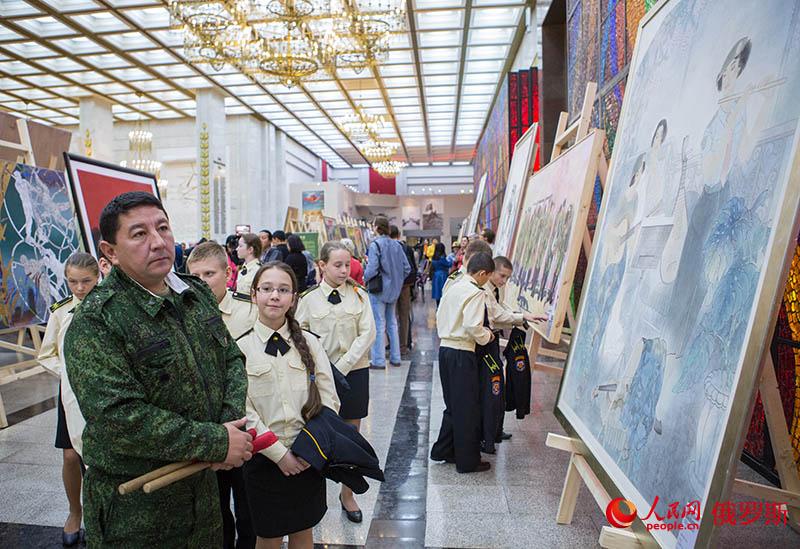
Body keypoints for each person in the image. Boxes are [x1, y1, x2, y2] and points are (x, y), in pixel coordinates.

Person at [64, 191, 253, 547]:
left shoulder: (193, 294)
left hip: (202, 496)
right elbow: (119, 417)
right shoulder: (97, 322)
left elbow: (231, 359)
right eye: (139, 234)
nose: (158, 242)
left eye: (163, 228)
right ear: (110, 252)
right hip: (139, 514)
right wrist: (215, 440)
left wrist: (228, 429)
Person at [237, 262, 339, 549]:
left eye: (283, 290)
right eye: (267, 289)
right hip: (264, 458)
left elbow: (329, 398)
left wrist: (310, 449)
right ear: (254, 294)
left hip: (308, 454)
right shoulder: (240, 348)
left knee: (303, 531)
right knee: (268, 536)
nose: (274, 296)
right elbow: (242, 410)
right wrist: (279, 454)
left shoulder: (310, 343)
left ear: (294, 298)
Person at [296, 241, 376, 523]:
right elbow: (300, 336)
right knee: (318, 432)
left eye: (347, 264)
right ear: (322, 265)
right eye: (337, 265)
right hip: (319, 374)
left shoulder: (360, 296)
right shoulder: (307, 299)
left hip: (354, 372)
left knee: (351, 434)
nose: (344, 270)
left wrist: (340, 367)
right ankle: (312, 496)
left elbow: (367, 334)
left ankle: (347, 494)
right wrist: (325, 370)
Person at [187, 242, 258, 549]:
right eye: (195, 275)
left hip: (247, 422)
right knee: (214, 511)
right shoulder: (182, 314)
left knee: (249, 508)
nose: (202, 281)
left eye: (209, 274)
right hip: (207, 428)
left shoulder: (248, 311)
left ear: (228, 273)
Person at [38, 252, 99, 547]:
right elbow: (45, 354)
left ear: (98, 277)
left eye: (85, 281)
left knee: (99, 456)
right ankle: (75, 511)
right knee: (71, 455)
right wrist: (69, 372)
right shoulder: (61, 312)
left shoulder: (108, 308)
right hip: (71, 394)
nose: (79, 288)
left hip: (102, 395)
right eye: (73, 282)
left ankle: (103, 516)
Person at [430, 251, 495, 473]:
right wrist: (487, 335)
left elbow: (439, 314)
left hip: (445, 349)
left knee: (454, 405)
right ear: (482, 273)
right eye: (488, 277)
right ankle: (468, 461)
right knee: (467, 408)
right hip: (462, 353)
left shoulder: (453, 286)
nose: (487, 282)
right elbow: (472, 325)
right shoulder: (475, 292)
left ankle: (444, 449)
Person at [481, 256, 544, 453]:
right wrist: (520, 317)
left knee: (498, 388)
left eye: (507, 278)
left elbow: (503, 307)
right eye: (502, 276)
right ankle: (489, 433)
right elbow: (497, 316)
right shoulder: (484, 290)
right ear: (491, 271)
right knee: (493, 389)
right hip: (484, 341)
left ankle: (496, 430)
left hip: (493, 338)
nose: (504, 281)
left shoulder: (497, 287)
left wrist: (520, 315)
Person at [364, 216, 411, 369]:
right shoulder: (397, 245)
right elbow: (407, 268)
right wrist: (396, 281)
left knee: (378, 324)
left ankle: (378, 360)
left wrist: (364, 278)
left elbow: (371, 269)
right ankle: (395, 358)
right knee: (392, 323)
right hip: (394, 290)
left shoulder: (375, 245)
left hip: (378, 290)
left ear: (377, 227)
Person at [391, 225, 417, 358]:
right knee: (404, 316)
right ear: (399, 234)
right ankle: (403, 346)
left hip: (390, 286)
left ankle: (392, 345)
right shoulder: (406, 248)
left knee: (391, 317)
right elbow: (412, 268)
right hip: (405, 286)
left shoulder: (386, 248)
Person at [430, 242, 452, 306]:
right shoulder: (442, 257)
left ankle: (437, 307)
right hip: (442, 275)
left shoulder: (434, 258)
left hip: (436, 276)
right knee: (443, 291)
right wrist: (452, 261)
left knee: (437, 292)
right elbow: (448, 264)